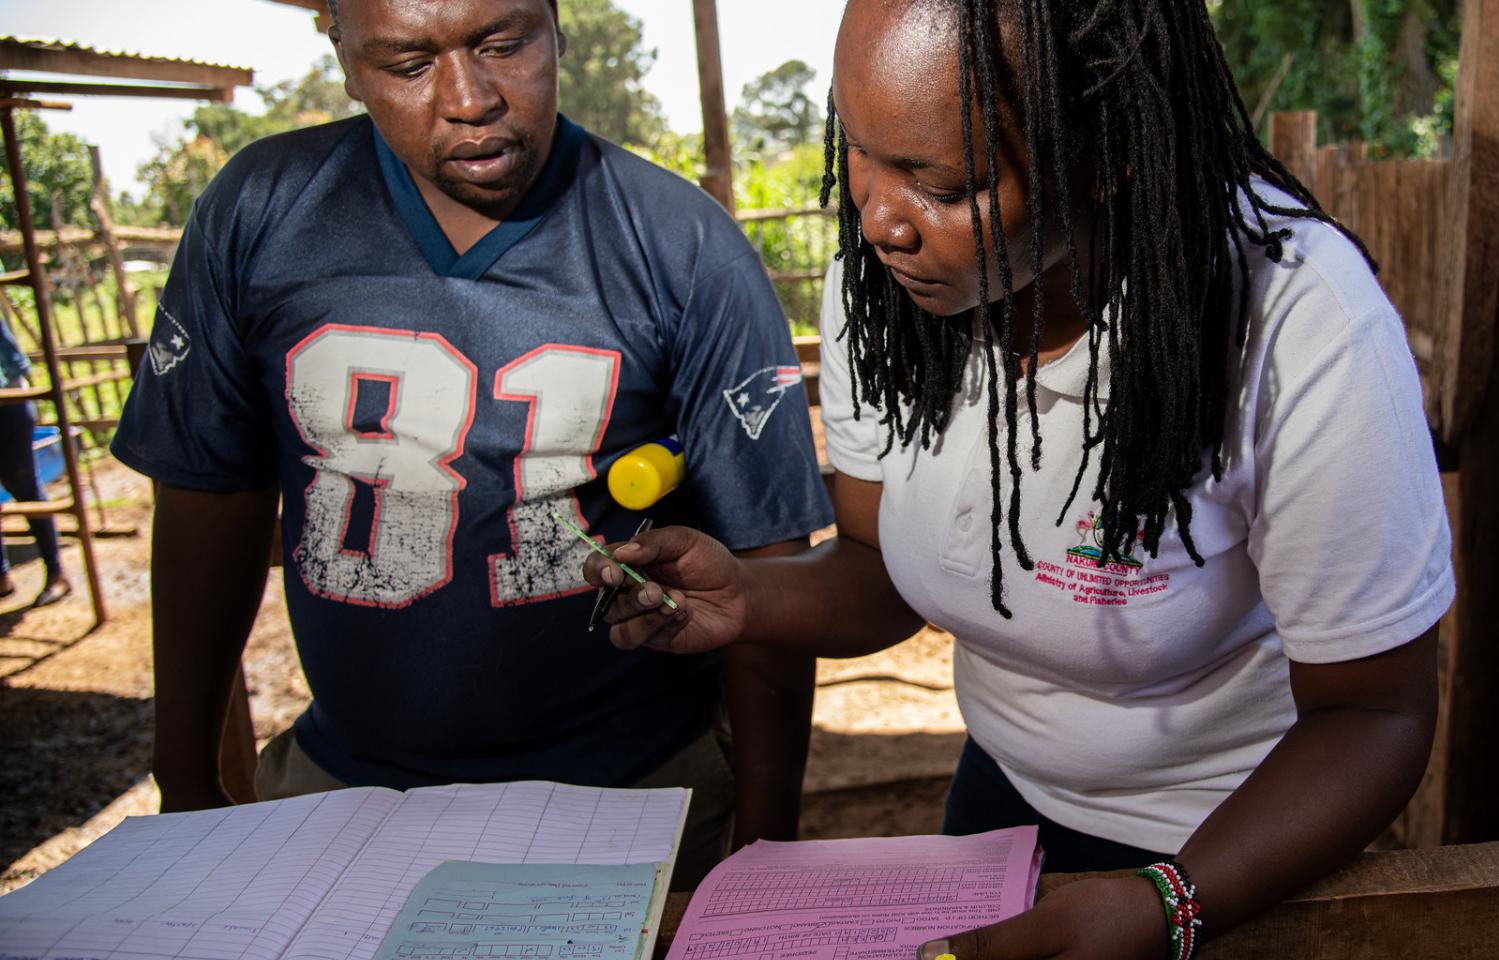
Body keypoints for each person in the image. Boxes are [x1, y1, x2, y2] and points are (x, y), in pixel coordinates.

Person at [586, 0, 1454, 951]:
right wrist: (748, 596)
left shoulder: (1295, 321)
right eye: (861, 152)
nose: (879, 219)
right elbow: (883, 569)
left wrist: (1164, 903)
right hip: (1002, 800)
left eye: (943, 183)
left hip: (1236, 838)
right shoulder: (886, 287)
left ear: (1112, 152)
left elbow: (1375, 712)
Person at [109, 0, 831, 887]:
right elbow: (207, 496)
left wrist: (765, 846)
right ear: (341, 55)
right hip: (342, 790)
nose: (469, 98)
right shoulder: (261, 211)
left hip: (635, 790)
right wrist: (183, 777)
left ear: (557, 25)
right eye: (407, 64)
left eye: (503, 44)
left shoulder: (678, 245)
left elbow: (765, 566)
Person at [0, 317, 68, 608]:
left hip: (7, 402)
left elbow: (14, 362)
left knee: (24, 485)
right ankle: (2, 578)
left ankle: (56, 573)